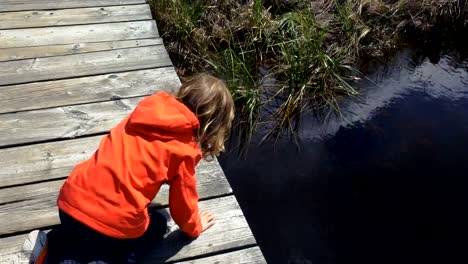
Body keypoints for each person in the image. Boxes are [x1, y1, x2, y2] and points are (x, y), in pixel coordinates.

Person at [22, 74, 235, 263]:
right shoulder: (185, 151)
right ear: (212, 126)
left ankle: (47, 245)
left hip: (71, 199)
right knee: (157, 225)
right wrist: (194, 226)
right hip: (110, 225)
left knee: (79, 230)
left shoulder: (146, 111)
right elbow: (182, 203)